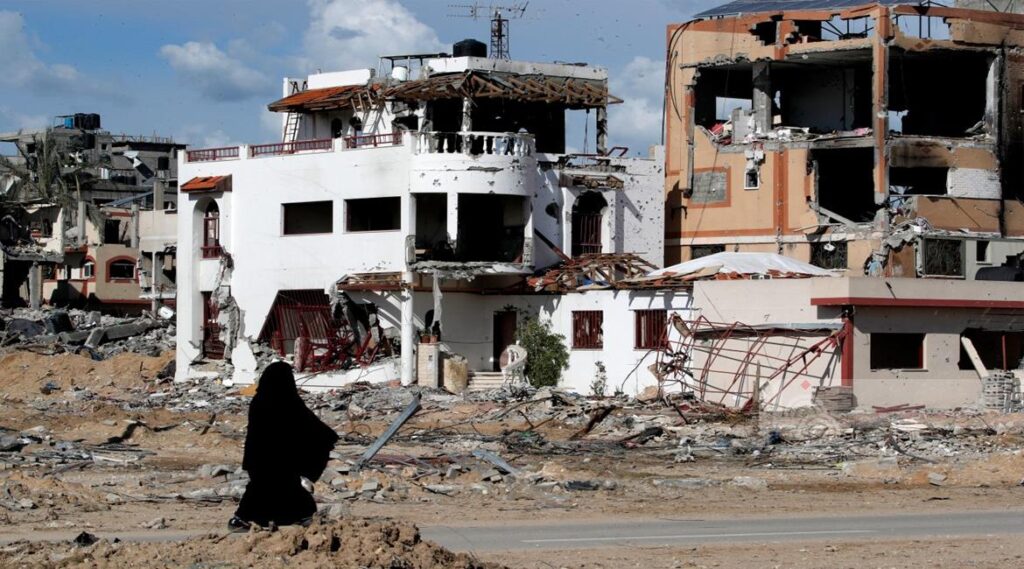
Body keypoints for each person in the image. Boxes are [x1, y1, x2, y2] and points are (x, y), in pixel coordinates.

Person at [228, 361, 338, 531]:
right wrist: (327, 437)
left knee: (267, 488)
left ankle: (249, 519)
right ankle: (241, 519)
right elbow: (310, 426)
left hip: (260, 458)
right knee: (273, 489)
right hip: (280, 459)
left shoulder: (259, 400)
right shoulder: (289, 401)